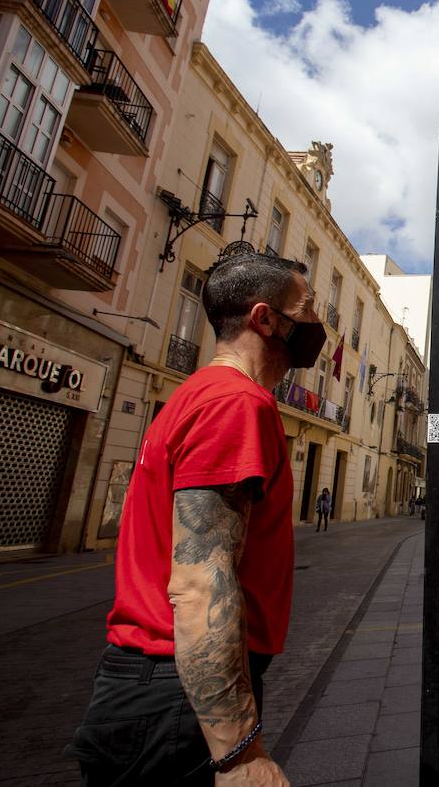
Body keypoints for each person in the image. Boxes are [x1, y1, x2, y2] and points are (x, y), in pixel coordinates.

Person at [66, 252, 327, 785]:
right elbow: (201, 584)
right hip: (175, 696)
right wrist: (238, 754)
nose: (318, 325)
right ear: (265, 319)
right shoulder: (235, 404)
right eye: (307, 308)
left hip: (161, 686)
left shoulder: (195, 396)